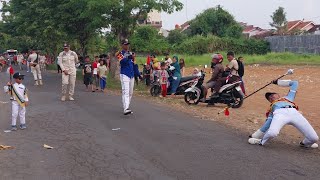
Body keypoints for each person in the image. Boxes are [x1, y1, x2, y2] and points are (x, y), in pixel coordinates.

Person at [248, 79, 319, 148]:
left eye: (272, 94)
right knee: (272, 133)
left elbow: (295, 83)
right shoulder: (272, 107)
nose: (271, 97)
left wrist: (277, 82)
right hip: (279, 113)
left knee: (314, 138)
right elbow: (268, 123)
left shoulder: (289, 97)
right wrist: (256, 134)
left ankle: (305, 143)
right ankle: (261, 141)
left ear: (278, 95)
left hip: (294, 112)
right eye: (269, 98)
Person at [117, 39, 135, 115]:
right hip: (124, 74)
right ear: (122, 45)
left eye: (128, 44)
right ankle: (126, 108)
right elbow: (122, 62)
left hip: (131, 74)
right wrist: (128, 58)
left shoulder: (130, 53)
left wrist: (137, 74)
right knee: (126, 92)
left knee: (131, 92)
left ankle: (127, 107)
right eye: (125, 44)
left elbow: (133, 64)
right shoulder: (119, 54)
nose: (127, 45)